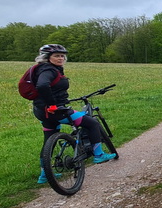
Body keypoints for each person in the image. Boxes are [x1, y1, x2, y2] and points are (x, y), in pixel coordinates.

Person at [32, 44, 116, 183]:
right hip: (56, 111)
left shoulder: (42, 69)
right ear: (47, 58)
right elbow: (42, 86)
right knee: (92, 123)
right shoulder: (48, 70)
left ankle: (44, 175)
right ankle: (99, 155)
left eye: (62, 55)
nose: (60, 58)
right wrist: (53, 104)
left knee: (49, 139)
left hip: (42, 112)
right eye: (56, 56)